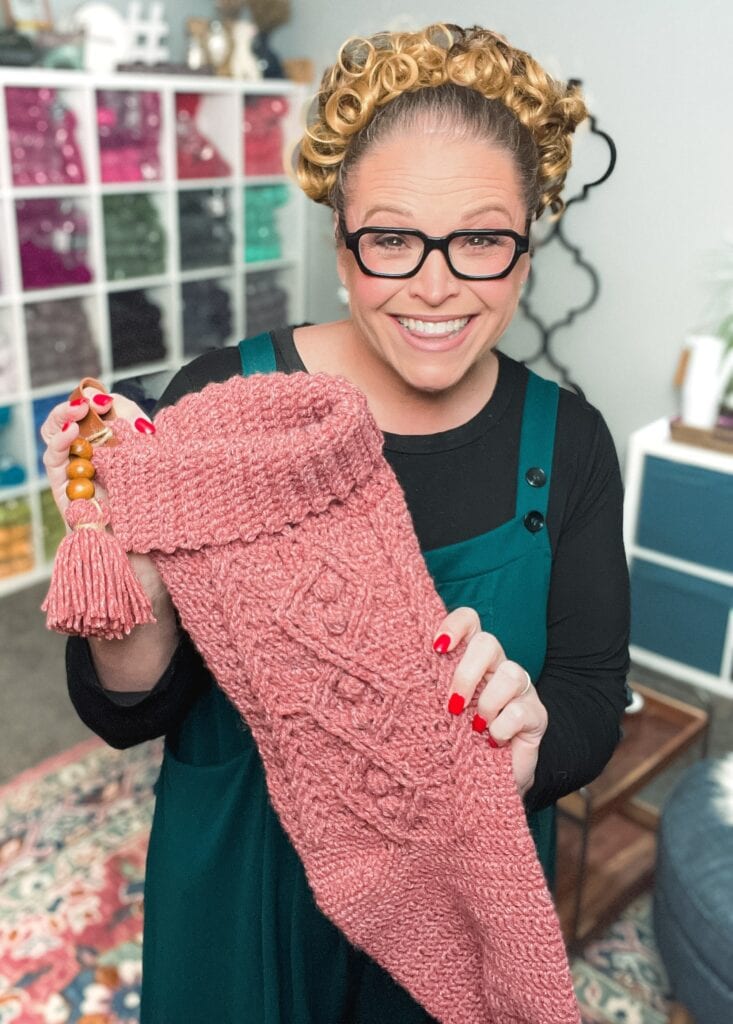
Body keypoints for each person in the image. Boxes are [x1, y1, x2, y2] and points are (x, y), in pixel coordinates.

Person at [40, 23, 630, 1024]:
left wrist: (521, 749)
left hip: (460, 886)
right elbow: (132, 707)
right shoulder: (226, 398)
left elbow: (589, 695)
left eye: (481, 238)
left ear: (527, 240)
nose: (435, 283)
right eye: (392, 238)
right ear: (341, 240)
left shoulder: (566, 442)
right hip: (244, 886)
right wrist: (136, 607)